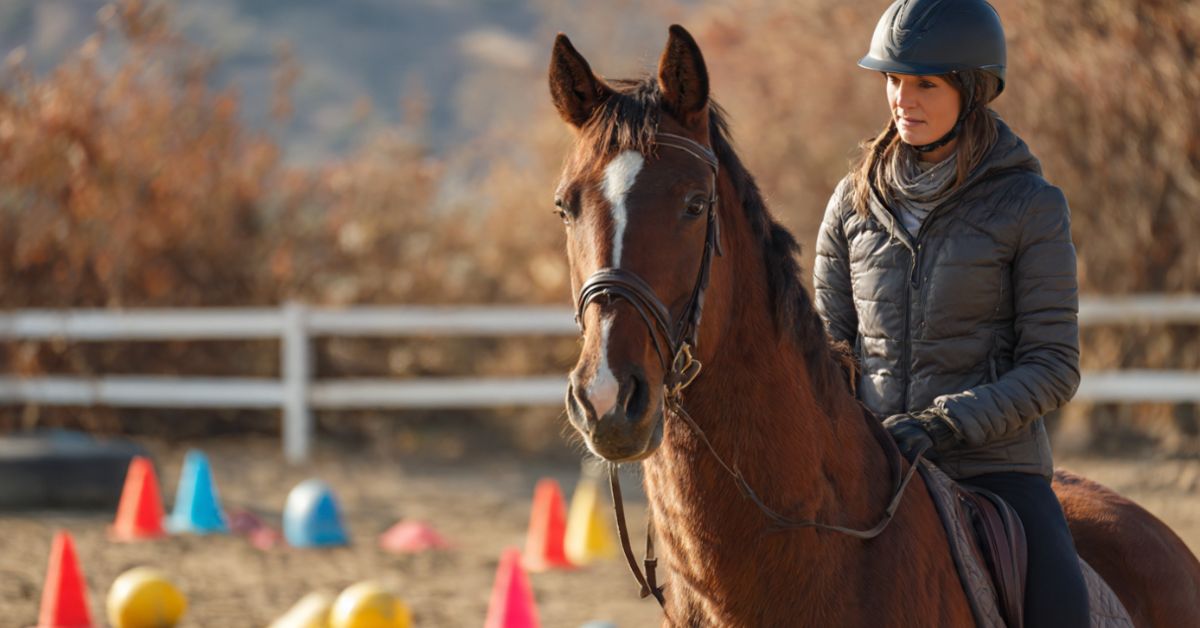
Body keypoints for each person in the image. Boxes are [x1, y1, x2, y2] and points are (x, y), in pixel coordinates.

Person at [812, 0, 1090, 626]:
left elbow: (1053, 366)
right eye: (892, 79)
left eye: (925, 83)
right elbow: (827, 345)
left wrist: (944, 426)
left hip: (993, 468)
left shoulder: (1031, 205)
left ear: (973, 90)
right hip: (871, 461)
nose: (901, 99)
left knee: (1059, 610)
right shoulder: (850, 203)